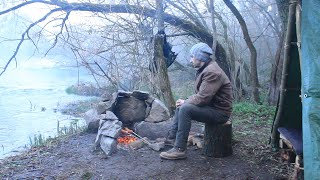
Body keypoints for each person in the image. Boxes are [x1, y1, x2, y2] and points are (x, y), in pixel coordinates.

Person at [159, 42, 233, 160]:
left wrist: (186, 102)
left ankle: (179, 149)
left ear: (199, 57)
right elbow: (202, 95)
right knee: (181, 106)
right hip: (212, 107)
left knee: (185, 108)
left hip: (220, 113)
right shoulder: (206, 68)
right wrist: (186, 101)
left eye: (192, 56)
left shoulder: (212, 72)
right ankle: (172, 139)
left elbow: (203, 98)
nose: (190, 60)